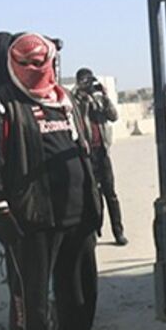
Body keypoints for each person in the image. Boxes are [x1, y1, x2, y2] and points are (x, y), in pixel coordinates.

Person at [0, 32, 110, 330]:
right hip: (31, 223)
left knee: (80, 293)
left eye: (41, 62)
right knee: (32, 305)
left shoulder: (65, 100)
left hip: (78, 216)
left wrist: (98, 203)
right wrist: (0, 208)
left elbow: (87, 149)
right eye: (27, 64)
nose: (36, 69)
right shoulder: (2, 106)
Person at [72, 67, 126, 246]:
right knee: (93, 195)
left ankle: (118, 232)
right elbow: (75, 117)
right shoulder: (76, 99)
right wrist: (84, 97)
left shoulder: (99, 98)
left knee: (111, 194)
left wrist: (104, 96)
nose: (89, 85)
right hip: (86, 155)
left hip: (102, 151)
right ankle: (95, 231)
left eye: (90, 81)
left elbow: (114, 116)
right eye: (85, 81)